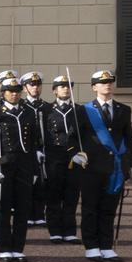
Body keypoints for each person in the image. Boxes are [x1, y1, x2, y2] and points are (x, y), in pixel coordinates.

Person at [74, 70, 132, 262]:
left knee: (109, 208)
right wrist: (76, 154)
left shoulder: (124, 110)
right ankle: (91, 246)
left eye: (110, 82)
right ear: (94, 87)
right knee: (90, 207)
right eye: (102, 83)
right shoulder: (83, 111)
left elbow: (128, 137)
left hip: (115, 167)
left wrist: (131, 163)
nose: (107, 85)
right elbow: (73, 137)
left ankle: (107, 246)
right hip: (91, 166)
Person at [0, 78, 38, 262]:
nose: (14, 93)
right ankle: (4, 248)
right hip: (3, 166)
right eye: (10, 90)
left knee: (23, 209)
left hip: (24, 166)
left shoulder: (28, 113)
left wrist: (35, 169)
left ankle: (18, 248)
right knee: (2, 210)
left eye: (17, 90)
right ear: (3, 92)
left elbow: (34, 143)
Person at [44, 75, 83, 244]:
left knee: (71, 195)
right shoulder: (47, 110)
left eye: (68, 86)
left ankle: (70, 231)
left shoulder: (78, 110)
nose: (66, 89)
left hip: (74, 158)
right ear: (54, 91)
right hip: (54, 157)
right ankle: (55, 231)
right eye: (61, 86)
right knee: (54, 195)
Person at [20, 72, 52, 225]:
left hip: (44, 150)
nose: (35, 87)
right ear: (25, 88)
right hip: (27, 150)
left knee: (41, 183)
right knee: (27, 183)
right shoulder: (21, 106)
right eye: (32, 85)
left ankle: (39, 214)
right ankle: (27, 214)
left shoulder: (47, 107)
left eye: (38, 85)